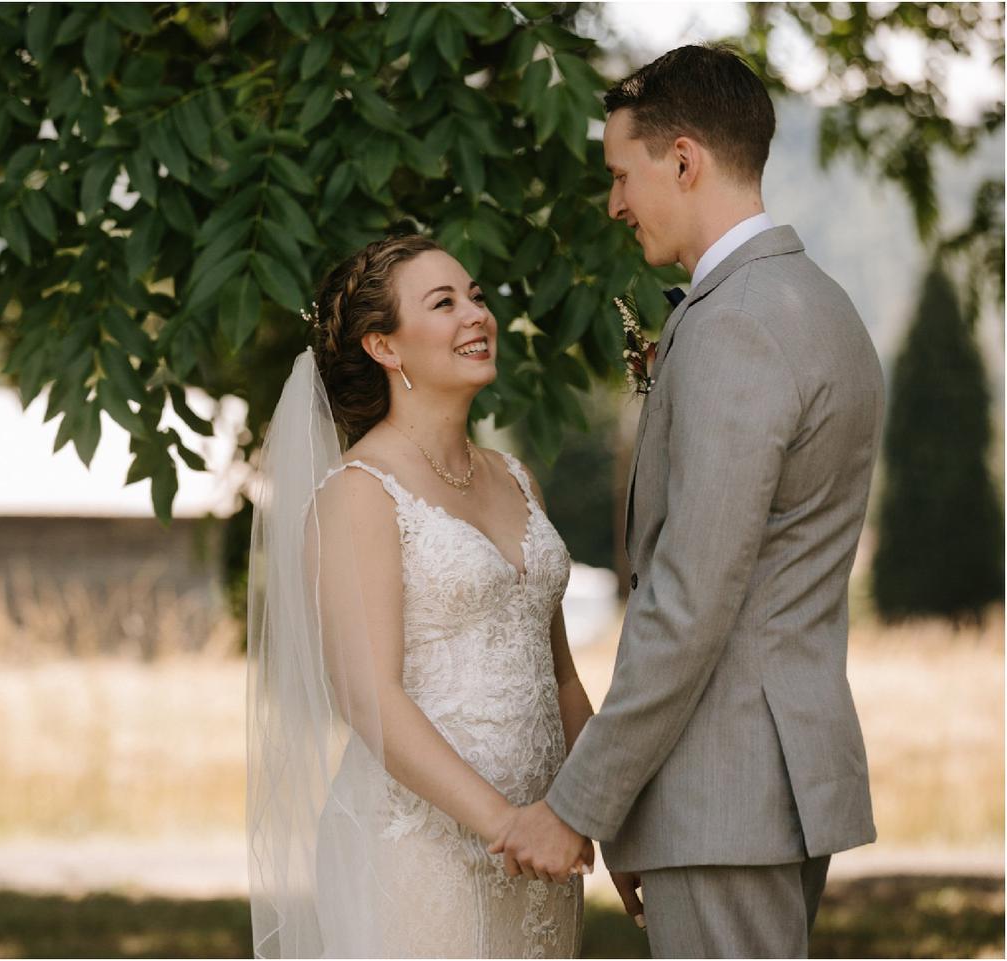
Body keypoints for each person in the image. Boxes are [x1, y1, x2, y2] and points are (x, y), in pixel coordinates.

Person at [490, 44, 885, 958]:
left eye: (621, 174)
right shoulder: (818, 305)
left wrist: (581, 803)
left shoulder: (739, 325)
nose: (615, 203)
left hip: (725, 791)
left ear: (683, 159)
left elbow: (690, 599)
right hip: (769, 782)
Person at [246, 234, 593, 958]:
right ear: (385, 346)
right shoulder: (359, 493)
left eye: (476, 297)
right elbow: (369, 696)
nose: (477, 315)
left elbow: (561, 676)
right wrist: (505, 823)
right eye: (444, 303)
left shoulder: (517, 477)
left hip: (541, 854)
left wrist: (599, 816)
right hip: (420, 851)